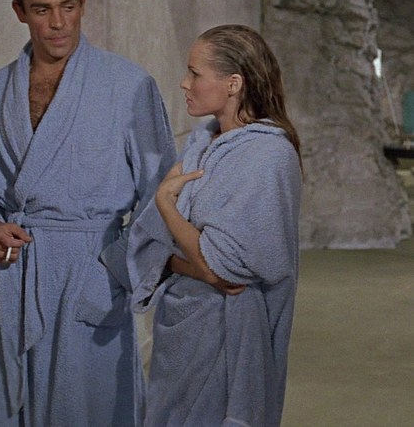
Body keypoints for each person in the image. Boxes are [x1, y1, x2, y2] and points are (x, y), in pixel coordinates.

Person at [0, 0, 176, 426]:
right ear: (20, 11)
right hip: (19, 278)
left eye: (68, 6)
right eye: (42, 9)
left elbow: (162, 194)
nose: (58, 23)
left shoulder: (128, 86)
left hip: (90, 276)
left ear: (83, 4)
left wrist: (114, 266)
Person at [126, 24, 302, 426]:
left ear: (233, 84)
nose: (184, 83)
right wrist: (183, 262)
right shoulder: (202, 144)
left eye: (195, 73)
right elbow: (156, 243)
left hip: (227, 333)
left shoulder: (268, 157)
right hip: (182, 326)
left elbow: (223, 269)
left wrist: (166, 206)